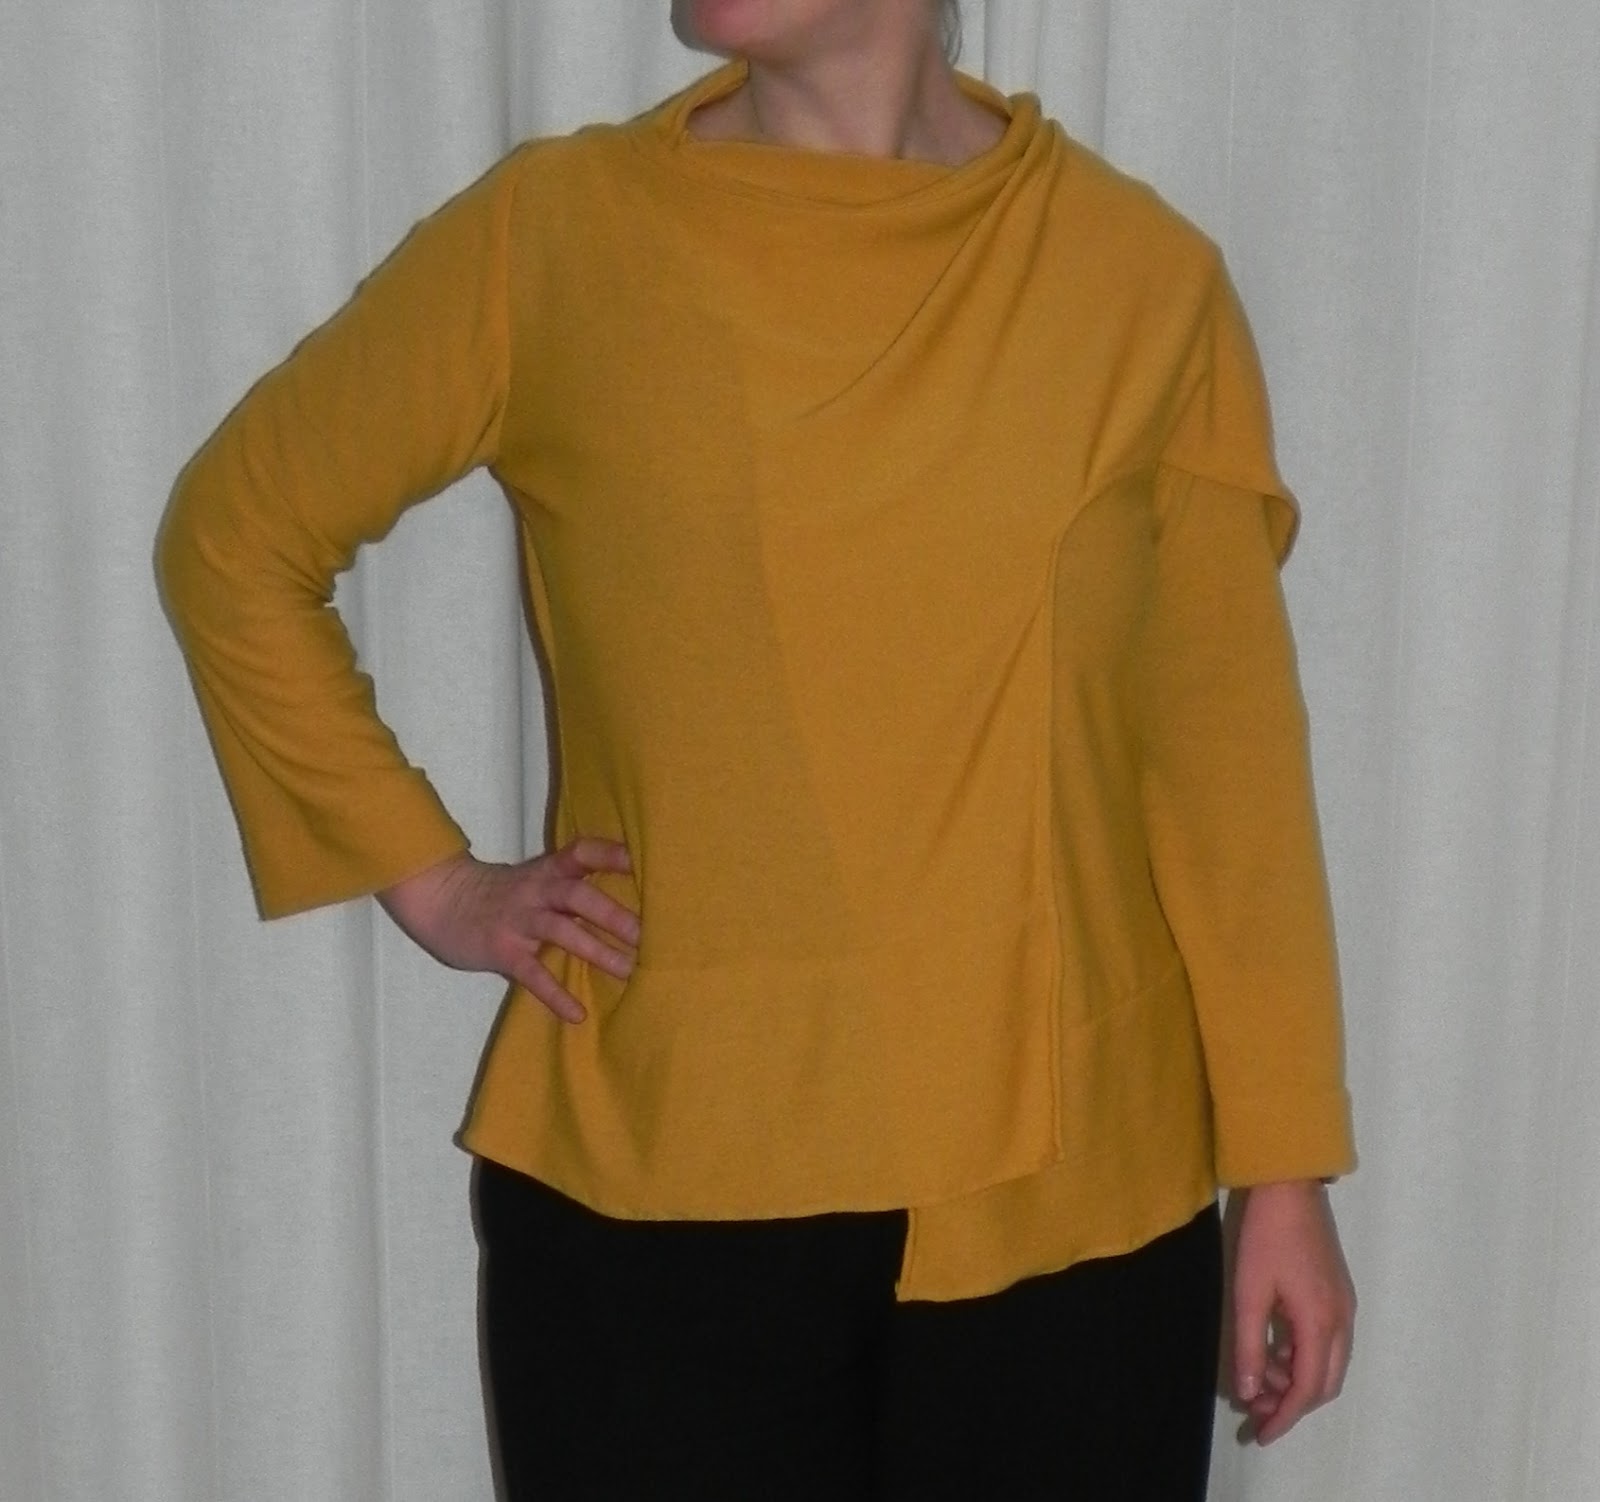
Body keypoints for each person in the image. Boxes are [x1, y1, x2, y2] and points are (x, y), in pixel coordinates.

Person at [159, 0, 1357, 1495]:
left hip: (1072, 1224)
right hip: (658, 1217)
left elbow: (1226, 765)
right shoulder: (557, 238)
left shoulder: (1139, 284)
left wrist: (1285, 1168)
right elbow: (235, 539)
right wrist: (436, 881)